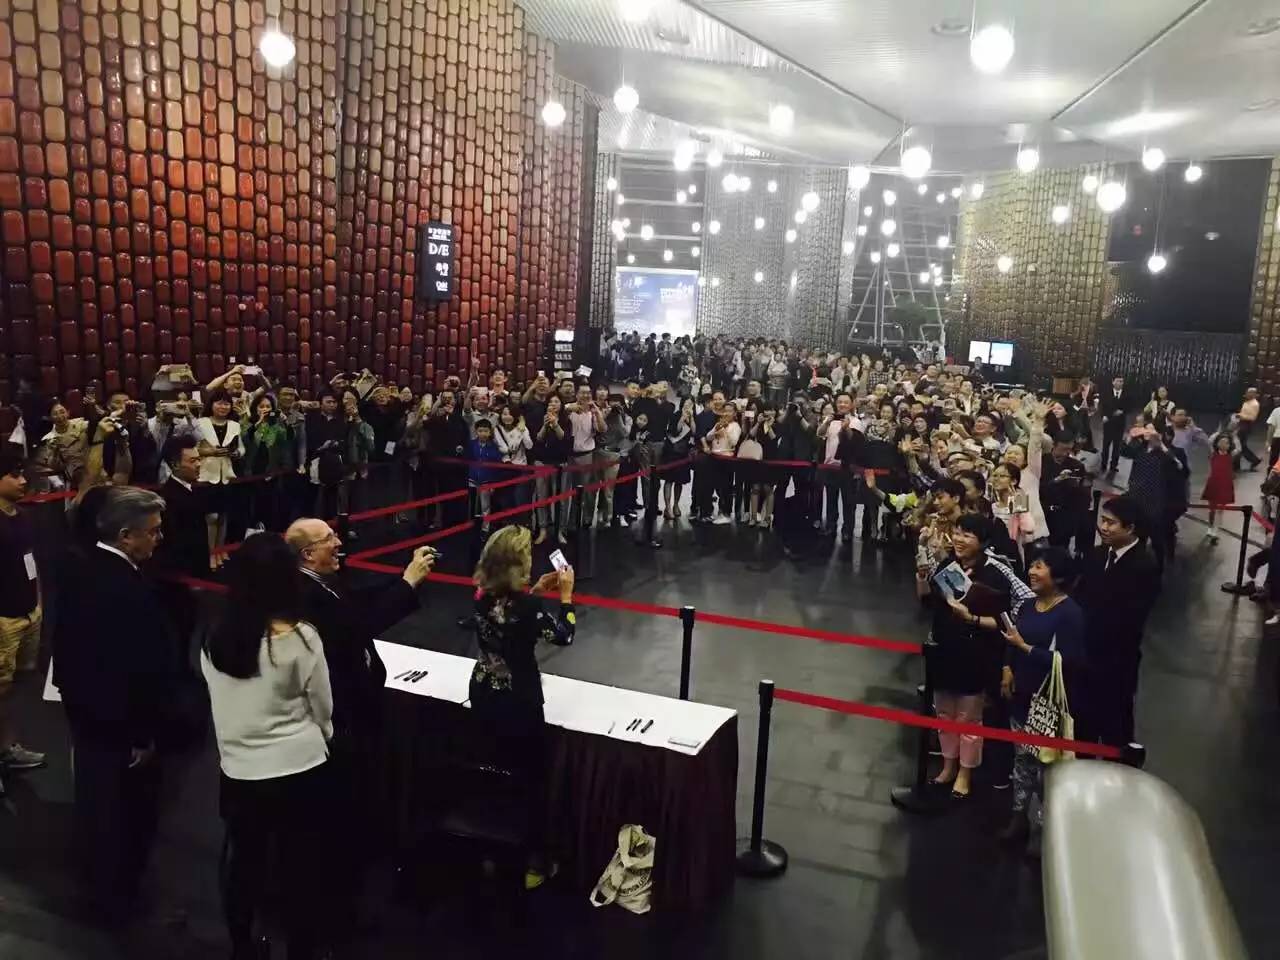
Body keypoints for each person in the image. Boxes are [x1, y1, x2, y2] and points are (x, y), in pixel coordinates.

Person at [286, 517, 435, 929]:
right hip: (342, 713)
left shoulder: (326, 583)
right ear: (307, 554)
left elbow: (357, 602)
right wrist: (407, 584)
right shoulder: (306, 596)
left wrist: (404, 581)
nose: (339, 542)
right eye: (328, 539)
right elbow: (355, 625)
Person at [201, 533, 334, 960]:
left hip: (240, 770)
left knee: (244, 864)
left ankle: (242, 945)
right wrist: (324, 737)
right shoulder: (302, 638)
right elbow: (323, 707)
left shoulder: (214, 639)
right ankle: (302, 949)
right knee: (301, 866)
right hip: (299, 768)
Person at [53, 487, 176, 920]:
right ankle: (111, 898)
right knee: (117, 814)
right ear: (126, 535)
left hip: (87, 716)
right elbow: (132, 670)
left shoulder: (82, 567)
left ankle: (98, 886)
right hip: (116, 725)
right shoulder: (124, 587)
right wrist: (141, 735)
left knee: (95, 805)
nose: (159, 538)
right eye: (153, 531)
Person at [467, 526, 575, 889]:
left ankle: (490, 848)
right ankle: (533, 861)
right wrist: (566, 597)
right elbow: (563, 635)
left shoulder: (480, 595)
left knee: (492, 769)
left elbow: (506, 616)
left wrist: (536, 591)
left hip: (484, 691)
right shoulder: (529, 608)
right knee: (531, 778)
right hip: (518, 700)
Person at [922, 513, 1027, 799]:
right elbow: (928, 602)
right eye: (957, 532)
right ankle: (947, 766)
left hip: (975, 656)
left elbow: (1004, 623)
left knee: (968, 718)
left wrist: (971, 618)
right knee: (944, 714)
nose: (958, 539)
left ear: (982, 542)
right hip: (944, 650)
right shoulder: (947, 565)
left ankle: (965, 773)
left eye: (967, 535)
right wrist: (921, 576)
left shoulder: (994, 575)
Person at [998, 547, 1085, 852]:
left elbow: (1069, 661)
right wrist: (1008, 668)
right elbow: (1012, 638)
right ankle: (1018, 816)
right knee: (1022, 761)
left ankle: (1048, 829)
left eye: (1040, 567)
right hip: (1022, 695)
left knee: (1047, 768)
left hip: (1047, 702)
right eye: (1032, 565)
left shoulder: (1070, 614)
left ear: (1057, 576)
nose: (1032, 572)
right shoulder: (1027, 605)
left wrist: (1025, 649)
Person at [1075, 495, 1160, 747]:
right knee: (1084, 724)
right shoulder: (1097, 554)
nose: (1103, 527)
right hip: (1086, 656)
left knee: (1115, 724)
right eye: (1102, 520)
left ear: (1130, 528)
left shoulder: (1144, 566)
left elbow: (1130, 618)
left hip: (1117, 660)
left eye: (1110, 523)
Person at [0, 452, 46, 786]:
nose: (23, 480)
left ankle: (6, 748)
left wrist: (38, 604)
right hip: (3, 620)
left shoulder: (23, 517)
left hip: (29, 614)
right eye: (14, 475)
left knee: (13, 688)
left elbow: (32, 563)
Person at [196, 388, 243, 570]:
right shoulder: (201, 423)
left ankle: (220, 550)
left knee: (223, 517)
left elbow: (241, 448)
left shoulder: (235, 425)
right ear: (212, 405)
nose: (223, 407)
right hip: (206, 476)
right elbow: (193, 448)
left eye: (226, 403)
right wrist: (210, 452)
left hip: (227, 476)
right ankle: (210, 553)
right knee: (211, 517)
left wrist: (237, 453)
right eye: (219, 403)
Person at [531, 394, 570, 545]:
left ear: (561, 405)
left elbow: (564, 438)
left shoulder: (566, 420)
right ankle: (543, 530)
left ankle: (560, 530)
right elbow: (538, 439)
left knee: (561, 499)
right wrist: (545, 425)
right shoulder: (540, 419)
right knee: (541, 497)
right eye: (550, 402)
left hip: (560, 464)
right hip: (542, 462)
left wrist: (556, 424)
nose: (553, 404)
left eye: (556, 401)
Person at [1201, 430, 1237, 543]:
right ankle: (1210, 527)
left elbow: (1239, 447)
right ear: (1217, 443)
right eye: (1221, 442)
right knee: (1212, 509)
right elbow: (1209, 441)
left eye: (1226, 443)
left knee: (1220, 510)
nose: (1224, 444)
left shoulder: (1231, 456)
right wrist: (1218, 432)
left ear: (1230, 445)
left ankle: (1216, 530)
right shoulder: (1213, 454)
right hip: (1214, 484)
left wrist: (1233, 434)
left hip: (1225, 485)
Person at [663, 397, 695, 520]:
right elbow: (675, 431)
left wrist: (691, 418)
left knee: (679, 481)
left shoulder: (693, 416)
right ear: (682, 404)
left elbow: (694, 432)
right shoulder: (675, 415)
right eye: (686, 403)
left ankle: (676, 504)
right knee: (669, 480)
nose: (688, 406)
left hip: (683, 453)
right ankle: (667, 507)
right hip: (672, 452)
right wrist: (682, 418)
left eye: (691, 404)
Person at [1100, 376, 1131, 475]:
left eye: (1121, 381)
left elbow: (1130, 407)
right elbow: (1103, 406)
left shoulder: (1127, 394)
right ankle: (1103, 464)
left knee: (1117, 447)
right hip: (1108, 423)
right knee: (1106, 445)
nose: (1120, 383)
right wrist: (1104, 416)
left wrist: (1123, 411)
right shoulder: (1106, 393)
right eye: (1118, 381)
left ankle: (1113, 466)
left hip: (1119, 424)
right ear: (1113, 382)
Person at [1235, 386, 1262, 470]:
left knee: (1240, 446)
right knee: (1239, 445)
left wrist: (1241, 416)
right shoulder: (1246, 402)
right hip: (1241, 424)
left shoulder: (1255, 404)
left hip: (1246, 425)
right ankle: (1237, 464)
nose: (1246, 393)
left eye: (1248, 392)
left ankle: (1254, 460)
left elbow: (1253, 417)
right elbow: (1244, 413)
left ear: (1253, 394)